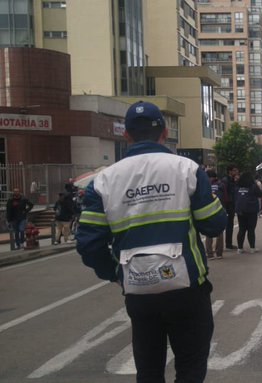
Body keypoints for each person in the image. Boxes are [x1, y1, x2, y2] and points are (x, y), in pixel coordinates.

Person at [76, 101, 227, 383]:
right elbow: (215, 223)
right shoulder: (188, 169)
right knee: (191, 368)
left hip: (139, 292)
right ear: (164, 132)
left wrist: (116, 274)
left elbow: (89, 244)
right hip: (187, 290)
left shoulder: (104, 181)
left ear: (127, 135)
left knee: (148, 371)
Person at [235, 172, 262, 254]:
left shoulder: (237, 186)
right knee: (251, 229)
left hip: (240, 210)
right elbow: (260, 194)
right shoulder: (253, 186)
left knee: (241, 229)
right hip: (251, 210)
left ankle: (240, 248)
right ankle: (252, 248)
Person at [204, 169, 226, 259]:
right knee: (219, 231)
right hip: (219, 210)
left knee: (208, 232)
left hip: (207, 211)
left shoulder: (204, 185)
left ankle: (209, 254)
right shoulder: (221, 185)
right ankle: (219, 253)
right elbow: (225, 197)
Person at [222, 165, 239, 250]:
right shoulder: (226, 180)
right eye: (234, 170)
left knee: (230, 224)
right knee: (228, 224)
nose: (236, 172)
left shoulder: (232, 180)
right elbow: (226, 193)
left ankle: (229, 243)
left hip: (232, 204)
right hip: (228, 205)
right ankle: (228, 244)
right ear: (230, 171)